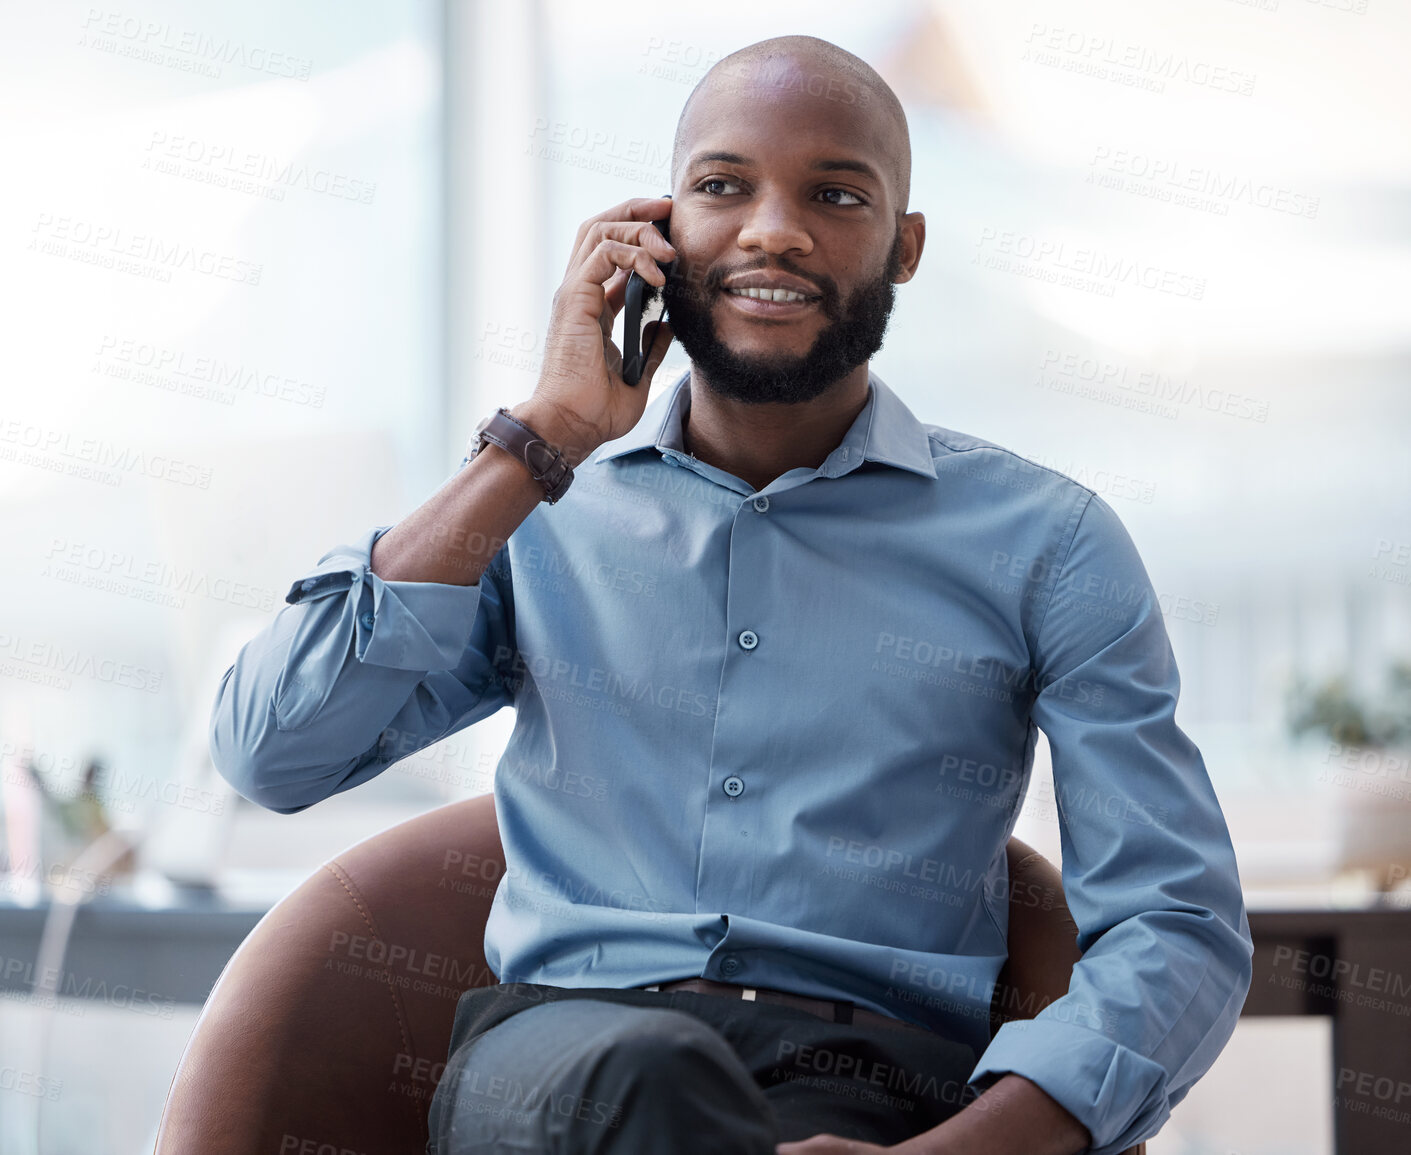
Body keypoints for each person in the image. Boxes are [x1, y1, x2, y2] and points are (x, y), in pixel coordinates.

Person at [209, 34, 1252, 1155]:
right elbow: (276, 752)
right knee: (646, 1078)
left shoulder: (1053, 543)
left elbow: (1175, 921)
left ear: (903, 249)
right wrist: (542, 437)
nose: (772, 230)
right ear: (659, 234)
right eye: (722, 187)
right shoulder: (540, 515)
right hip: (563, 1065)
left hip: (878, 1087)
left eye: (835, 194)